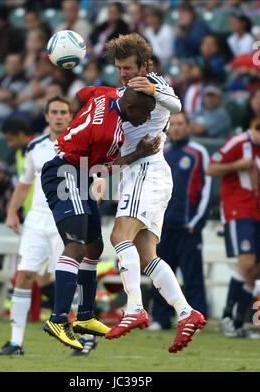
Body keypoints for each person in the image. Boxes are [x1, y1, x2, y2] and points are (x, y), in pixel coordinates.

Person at [104, 33, 206, 353]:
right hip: (139, 171)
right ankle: (186, 313)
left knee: (119, 235)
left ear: (144, 64)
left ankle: (134, 307)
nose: (123, 72)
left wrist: (154, 88)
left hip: (147, 172)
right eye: (119, 67)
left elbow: (175, 104)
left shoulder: (153, 82)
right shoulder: (122, 93)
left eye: (128, 66)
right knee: (147, 255)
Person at [41, 85, 158, 351]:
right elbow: (104, 169)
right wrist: (140, 152)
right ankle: (58, 319)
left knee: (95, 246)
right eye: (144, 113)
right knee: (76, 244)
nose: (146, 119)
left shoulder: (107, 95)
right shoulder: (108, 134)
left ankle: (85, 316)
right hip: (65, 172)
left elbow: (83, 93)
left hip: (80, 173)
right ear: (130, 108)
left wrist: (76, 126)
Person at [0, 97, 72, 356]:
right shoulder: (35, 147)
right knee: (25, 275)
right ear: (47, 116)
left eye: (63, 112)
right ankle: (15, 342)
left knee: (67, 277)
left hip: (67, 217)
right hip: (37, 218)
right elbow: (25, 183)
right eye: (54, 112)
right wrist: (11, 212)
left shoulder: (80, 143)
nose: (59, 116)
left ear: (70, 116)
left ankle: (82, 332)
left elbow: (94, 176)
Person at [149, 111, 211, 330]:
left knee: (193, 275)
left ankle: (197, 318)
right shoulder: (160, 152)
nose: (176, 128)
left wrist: (196, 222)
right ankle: (160, 318)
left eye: (180, 124)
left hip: (188, 228)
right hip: (163, 227)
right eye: (172, 124)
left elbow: (206, 190)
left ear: (188, 127)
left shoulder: (198, 153)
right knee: (160, 274)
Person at [206, 122, 260, 338]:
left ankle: (238, 323)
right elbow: (211, 168)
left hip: (256, 212)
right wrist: (238, 165)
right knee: (246, 262)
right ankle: (227, 317)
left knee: (255, 269)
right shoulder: (238, 142)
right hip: (238, 210)